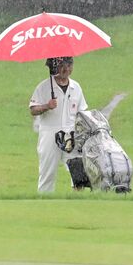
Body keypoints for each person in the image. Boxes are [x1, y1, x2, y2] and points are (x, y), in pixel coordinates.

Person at [29, 57, 89, 193]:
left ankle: (78, 202)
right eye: (62, 64)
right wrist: (47, 106)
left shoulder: (76, 87)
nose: (66, 68)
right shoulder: (44, 86)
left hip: (71, 133)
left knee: (78, 172)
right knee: (47, 173)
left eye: (69, 64)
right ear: (56, 66)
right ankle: (44, 204)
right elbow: (33, 109)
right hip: (50, 133)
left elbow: (82, 112)